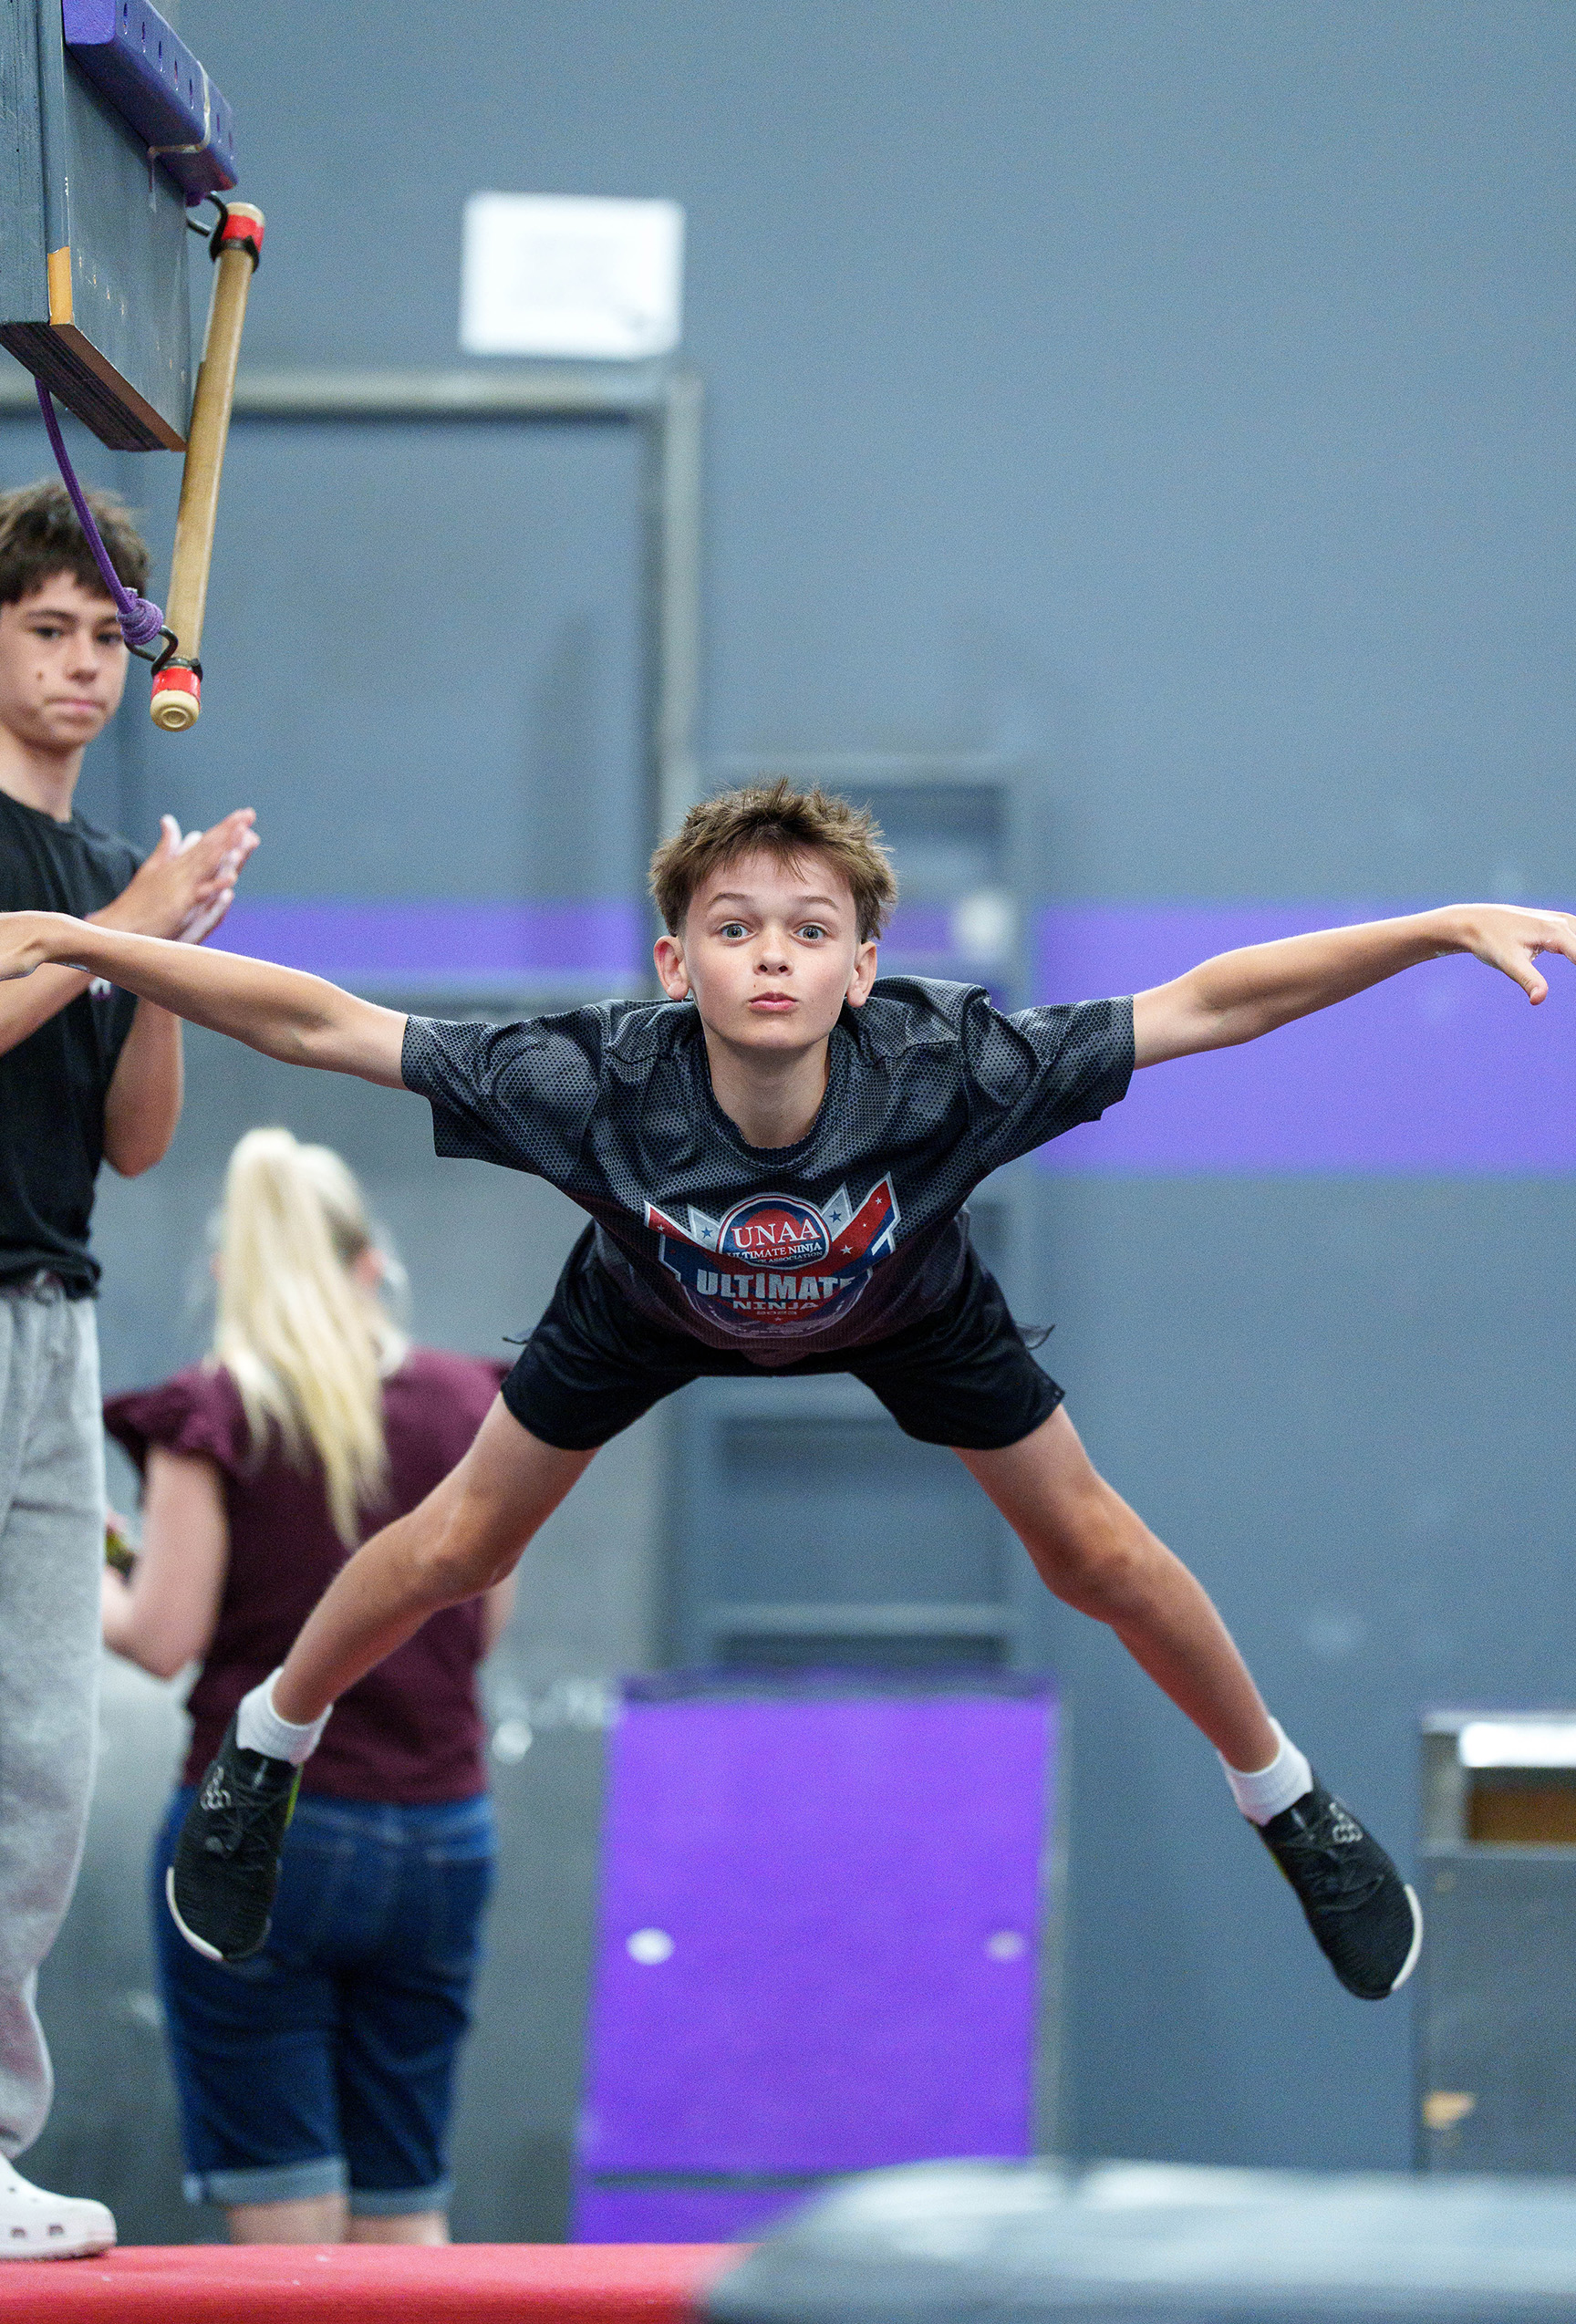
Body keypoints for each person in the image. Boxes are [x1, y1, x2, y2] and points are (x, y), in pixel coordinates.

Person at [5, 781, 1574, 2007]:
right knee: (456, 1544)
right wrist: (88, 942)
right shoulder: (590, 1082)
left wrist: (1430, 925)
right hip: (646, 1298)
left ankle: (1286, 1801)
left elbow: (1212, 1002)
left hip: (905, 1300)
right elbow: (318, 1021)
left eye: (809, 929)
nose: (773, 953)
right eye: (736, 927)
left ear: (862, 964)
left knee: (1091, 1548)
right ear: (674, 962)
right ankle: (268, 1751)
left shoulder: (948, 1067)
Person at [0, 480, 258, 2259]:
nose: (88, 666)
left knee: (38, 1755)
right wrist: (119, 923)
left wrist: (155, 961)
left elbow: (139, 1140)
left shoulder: (107, 871)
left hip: (51, 1305)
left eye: (111, 637)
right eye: (49, 631)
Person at [101, 1128, 511, 2246]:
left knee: (284, 2207)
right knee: (402, 2204)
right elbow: (485, 1615)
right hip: (443, 1831)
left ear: (232, 1274)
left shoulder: (214, 1413)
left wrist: (83, 1566)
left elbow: (161, 1634)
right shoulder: (469, 1406)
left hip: (266, 1834)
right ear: (369, 1263)